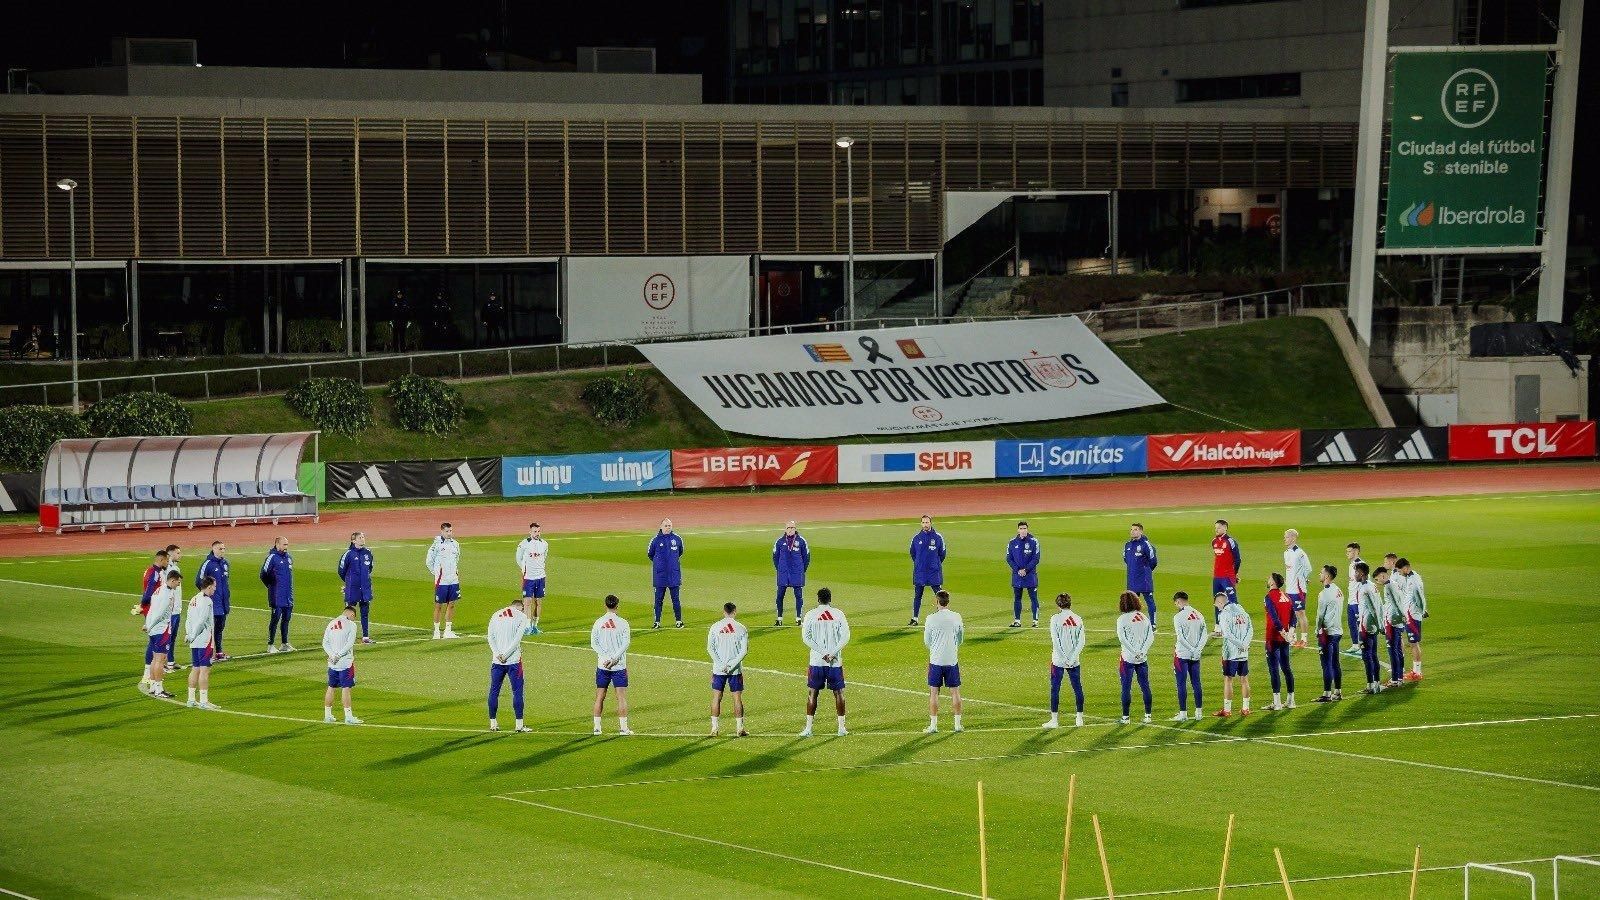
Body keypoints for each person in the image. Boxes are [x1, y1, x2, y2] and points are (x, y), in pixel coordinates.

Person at [800, 587, 851, 737]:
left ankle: (808, 729)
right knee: (839, 693)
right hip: (835, 662)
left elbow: (806, 638)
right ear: (830, 599)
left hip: (817, 661)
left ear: (818, 599)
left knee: (812, 693)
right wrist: (832, 653)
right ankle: (841, 728)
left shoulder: (810, 614)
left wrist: (823, 653)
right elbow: (846, 636)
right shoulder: (838, 614)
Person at [487, 598, 532, 733]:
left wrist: (498, 654)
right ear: (521, 607)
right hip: (513, 661)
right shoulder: (522, 617)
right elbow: (517, 639)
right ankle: (519, 725)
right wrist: (506, 655)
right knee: (517, 692)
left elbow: (490, 637)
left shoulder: (496, 614)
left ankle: (493, 724)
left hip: (497, 661)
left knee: (494, 691)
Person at [923, 590, 965, 733]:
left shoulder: (931, 618)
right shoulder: (956, 617)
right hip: (952, 659)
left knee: (934, 692)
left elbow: (927, 640)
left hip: (936, 659)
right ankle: (957, 725)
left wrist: (934, 648)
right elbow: (960, 638)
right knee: (955, 692)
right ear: (948, 602)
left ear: (936, 601)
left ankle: (933, 725)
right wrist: (953, 647)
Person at [590, 594, 632, 735]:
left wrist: (606, 657)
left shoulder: (598, 622)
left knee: (600, 696)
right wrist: (614, 658)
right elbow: (626, 643)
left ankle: (597, 728)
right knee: (621, 697)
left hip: (603, 665)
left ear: (605, 605)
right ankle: (623, 728)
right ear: (617, 606)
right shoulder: (623, 623)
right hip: (618, 665)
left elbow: (594, 643)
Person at [1043, 593, 1086, 729]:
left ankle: (1054, 720)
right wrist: (1072, 658)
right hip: (1074, 661)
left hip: (1058, 660)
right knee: (1077, 688)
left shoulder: (1055, 618)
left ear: (1058, 604)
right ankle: (1079, 718)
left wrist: (1064, 658)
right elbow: (1082, 641)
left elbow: (1055, 640)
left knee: (1055, 689)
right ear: (1070, 603)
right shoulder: (1078, 618)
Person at [707, 602, 750, 737]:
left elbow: (710, 648)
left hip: (718, 669)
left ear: (724, 612)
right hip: (735, 670)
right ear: (735, 611)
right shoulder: (741, 628)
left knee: (716, 697)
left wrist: (721, 664)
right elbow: (743, 651)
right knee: (737, 698)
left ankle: (714, 729)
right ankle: (740, 729)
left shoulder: (715, 627)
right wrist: (731, 665)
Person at [140, 571, 182, 698]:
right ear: (173, 580)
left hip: (154, 630)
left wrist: (148, 624)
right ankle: (159, 689)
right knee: (160, 660)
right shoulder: (167, 593)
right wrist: (150, 626)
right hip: (161, 630)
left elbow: (152, 609)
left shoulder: (158, 590)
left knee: (154, 659)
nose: (179, 585)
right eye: (178, 582)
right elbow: (159, 613)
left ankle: (153, 686)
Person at [1115, 590, 1154, 724]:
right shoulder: (1144, 617)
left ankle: (1125, 717)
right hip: (1142, 658)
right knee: (1145, 686)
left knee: (1126, 687)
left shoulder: (1122, 619)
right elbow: (1150, 637)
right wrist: (1142, 651)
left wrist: (1133, 651)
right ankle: (1148, 716)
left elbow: (1122, 638)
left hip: (1128, 658)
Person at [1171, 590, 1209, 721]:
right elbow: (1204, 635)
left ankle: (1183, 714)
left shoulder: (1178, 617)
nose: (1176, 605)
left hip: (1182, 654)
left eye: (1176, 603)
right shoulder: (1199, 614)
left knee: (1181, 683)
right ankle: (1199, 713)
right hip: (1196, 655)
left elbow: (1180, 637)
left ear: (1179, 601)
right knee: (1196, 683)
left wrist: (1191, 649)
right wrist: (1197, 650)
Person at [1214, 591, 1253, 717]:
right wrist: (1245, 644)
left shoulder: (1224, 614)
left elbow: (1227, 634)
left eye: (1216, 605)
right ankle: (1246, 708)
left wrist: (1240, 645)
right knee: (1244, 679)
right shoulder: (1241, 610)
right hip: (1244, 651)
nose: (1217, 607)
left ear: (1220, 602)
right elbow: (1250, 629)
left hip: (1231, 652)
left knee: (1228, 679)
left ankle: (1227, 710)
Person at [322, 605, 362, 724]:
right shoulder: (351, 624)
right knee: (346, 688)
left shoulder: (331, 623)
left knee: (331, 687)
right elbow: (350, 644)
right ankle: (348, 717)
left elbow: (325, 642)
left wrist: (332, 655)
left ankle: (327, 716)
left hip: (332, 663)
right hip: (345, 663)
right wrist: (338, 655)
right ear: (352, 615)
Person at [1262, 572, 1297, 710]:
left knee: (1274, 669)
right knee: (1287, 668)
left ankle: (1277, 703)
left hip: (1273, 637)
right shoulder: (1287, 597)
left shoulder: (1269, 597)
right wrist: (1290, 633)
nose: (1267, 579)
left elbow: (1274, 618)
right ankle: (1291, 701)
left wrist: (1283, 633)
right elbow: (1293, 617)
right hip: (1285, 639)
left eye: (1269, 578)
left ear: (1273, 582)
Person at [185, 576, 219, 709]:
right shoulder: (207, 601)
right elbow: (202, 621)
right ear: (209, 586)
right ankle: (204, 701)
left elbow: (188, 619)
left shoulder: (193, 599)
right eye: (214, 586)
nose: (215, 589)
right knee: (205, 671)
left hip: (194, 641)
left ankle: (191, 699)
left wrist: (189, 634)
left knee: (195, 668)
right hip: (204, 640)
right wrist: (193, 635)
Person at [134, 549, 170, 678]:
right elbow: (148, 592)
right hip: (153, 610)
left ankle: (150, 672)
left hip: (150, 609)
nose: (168, 562)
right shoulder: (155, 573)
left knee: (153, 640)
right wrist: (142, 605)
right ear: (161, 560)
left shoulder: (149, 570)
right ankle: (147, 673)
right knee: (154, 641)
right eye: (167, 560)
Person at [646, 518, 685, 630]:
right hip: (660, 576)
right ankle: (657, 622)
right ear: (661, 526)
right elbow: (650, 554)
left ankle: (678, 621)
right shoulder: (655, 540)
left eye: (669, 525)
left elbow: (680, 552)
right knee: (658, 600)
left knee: (676, 600)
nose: (668, 527)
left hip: (674, 575)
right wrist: (660, 564)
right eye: (666, 525)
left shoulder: (677, 539)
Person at [1313, 565, 1344, 703]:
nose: (1319, 574)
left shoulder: (1324, 594)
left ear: (1327, 576)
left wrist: (1317, 629)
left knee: (1326, 664)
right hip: (1338, 630)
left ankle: (1326, 693)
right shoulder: (1338, 590)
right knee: (1335, 662)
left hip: (1327, 633)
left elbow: (1320, 616)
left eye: (1321, 572)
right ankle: (1337, 692)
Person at [908, 515, 946, 627]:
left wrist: (935, 564)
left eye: (927, 522)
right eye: (923, 522)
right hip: (920, 572)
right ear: (921, 524)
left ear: (931, 523)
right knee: (918, 595)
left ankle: (943, 617)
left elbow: (942, 554)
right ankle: (915, 618)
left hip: (933, 571)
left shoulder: (938, 537)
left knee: (939, 594)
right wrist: (920, 564)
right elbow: (913, 554)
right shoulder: (916, 538)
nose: (925, 524)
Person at [338, 532, 376, 644]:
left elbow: (370, 568)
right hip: (352, 588)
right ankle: (345, 637)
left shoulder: (368, 553)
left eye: (363, 537)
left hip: (365, 588)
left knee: (365, 612)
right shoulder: (348, 554)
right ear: (353, 541)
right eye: (360, 538)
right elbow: (341, 571)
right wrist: (349, 582)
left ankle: (365, 637)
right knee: (349, 613)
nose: (362, 539)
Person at [197, 541, 231, 660]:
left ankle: (219, 652)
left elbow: (225, 583)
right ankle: (208, 653)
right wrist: (206, 596)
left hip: (223, 602)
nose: (222, 550)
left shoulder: (225, 563)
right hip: (212, 603)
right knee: (210, 629)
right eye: (220, 548)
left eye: (224, 548)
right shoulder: (207, 564)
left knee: (220, 628)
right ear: (214, 549)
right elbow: (199, 581)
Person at [427, 523, 462, 640]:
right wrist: (436, 573)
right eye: (447, 531)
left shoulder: (455, 544)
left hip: (453, 579)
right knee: (438, 605)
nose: (449, 533)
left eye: (451, 531)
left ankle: (448, 631)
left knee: (451, 604)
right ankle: (436, 631)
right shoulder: (436, 544)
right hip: (441, 580)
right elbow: (429, 561)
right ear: (442, 531)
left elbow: (457, 558)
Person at [772, 521, 810, 626]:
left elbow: (806, 557)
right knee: (779, 596)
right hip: (783, 573)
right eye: (788, 527)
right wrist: (780, 569)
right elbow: (775, 557)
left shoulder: (801, 541)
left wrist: (802, 570)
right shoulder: (779, 542)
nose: (790, 529)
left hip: (796, 573)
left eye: (792, 527)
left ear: (795, 528)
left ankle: (798, 618)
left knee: (798, 596)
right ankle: (779, 618)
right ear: (785, 529)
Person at [260, 537, 295, 653]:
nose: (286, 547)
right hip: (276, 596)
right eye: (284, 545)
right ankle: (270, 645)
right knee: (275, 620)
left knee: (286, 619)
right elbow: (263, 574)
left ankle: (284, 643)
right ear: (277, 544)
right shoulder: (272, 558)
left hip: (288, 595)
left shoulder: (289, 558)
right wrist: (271, 586)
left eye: (287, 545)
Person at [515, 522, 550, 635]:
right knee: (527, 602)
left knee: (538, 602)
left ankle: (535, 626)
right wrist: (523, 569)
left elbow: (544, 557)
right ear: (530, 532)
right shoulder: (524, 544)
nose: (537, 533)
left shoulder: (544, 544)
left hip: (540, 577)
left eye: (539, 531)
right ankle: (527, 626)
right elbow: (518, 558)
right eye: (535, 531)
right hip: (528, 577)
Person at [1353, 564, 1383, 694]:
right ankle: (1377, 683)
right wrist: (1379, 623)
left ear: (1361, 573)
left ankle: (1371, 686)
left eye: (1356, 573)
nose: (1355, 575)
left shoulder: (1365, 589)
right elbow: (1380, 605)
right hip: (1373, 625)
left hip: (1366, 626)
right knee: (1374, 655)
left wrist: (1380, 625)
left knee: (1367, 656)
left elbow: (1373, 608)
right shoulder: (1372, 586)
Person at [1396, 557, 1427, 681]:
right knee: (1412, 643)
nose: (1399, 573)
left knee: (1413, 643)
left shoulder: (1413, 580)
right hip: (1411, 614)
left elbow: (1419, 597)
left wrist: (1422, 610)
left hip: (1413, 615)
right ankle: (1415, 671)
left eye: (1399, 570)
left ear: (1405, 568)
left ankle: (1417, 673)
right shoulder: (1412, 577)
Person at [1375, 566, 1406, 688]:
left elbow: (1396, 603)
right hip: (1397, 621)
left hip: (1392, 622)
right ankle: (1400, 677)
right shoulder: (1394, 583)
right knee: (1398, 649)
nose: (1377, 582)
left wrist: (1402, 615)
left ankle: (1394, 679)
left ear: (1383, 576)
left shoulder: (1389, 586)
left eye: (1377, 579)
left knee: (1392, 650)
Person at [1006, 521, 1042, 628]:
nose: (1023, 530)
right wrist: (1018, 569)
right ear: (1018, 530)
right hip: (1017, 575)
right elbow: (1009, 558)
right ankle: (1017, 621)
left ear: (1027, 529)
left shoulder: (1034, 541)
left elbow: (1036, 558)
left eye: (1025, 528)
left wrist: (1025, 570)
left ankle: (1035, 621)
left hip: (1030, 574)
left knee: (1033, 598)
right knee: (1017, 598)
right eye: (1021, 528)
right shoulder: (1012, 542)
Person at [1282, 529, 1312, 648]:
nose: (1285, 539)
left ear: (1293, 538)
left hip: (1298, 589)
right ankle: (1292, 637)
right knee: (1290, 614)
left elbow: (1308, 568)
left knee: (1300, 614)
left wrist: (1302, 579)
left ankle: (1304, 639)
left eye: (1287, 537)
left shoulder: (1300, 553)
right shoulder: (1286, 553)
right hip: (1289, 588)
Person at [1122, 523, 1158, 621]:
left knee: (1149, 600)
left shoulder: (1146, 544)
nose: (1132, 531)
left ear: (1141, 531)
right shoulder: (1127, 545)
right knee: (1131, 603)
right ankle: (1134, 622)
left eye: (1135, 529)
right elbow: (1126, 559)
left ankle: (1153, 623)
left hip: (1144, 579)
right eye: (1131, 529)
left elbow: (1153, 561)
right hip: (1132, 579)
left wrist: (1146, 571)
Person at [1211, 519, 1242, 630]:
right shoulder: (1214, 541)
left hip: (1227, 576)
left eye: (1218, 527)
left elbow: (1237, 559)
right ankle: (1218, 625)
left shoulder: (1231, 541)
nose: (1216, 529)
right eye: (1215, 528)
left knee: (1232, 600)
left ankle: (1238, 623)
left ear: (1225, 527)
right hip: (1217, 576)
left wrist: (1234, 574)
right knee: (1217, 599)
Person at [162, 545, 183, 672]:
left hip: (177, 609)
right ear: (170, 554)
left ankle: (170, 661)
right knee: (167, 637)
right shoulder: (166, 570)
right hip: (170, 610)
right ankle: (163, 663)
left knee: (173, 637)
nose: (180, 555)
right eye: (178, 553)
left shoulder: (175, 568)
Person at [1343, 543, 1366, 658]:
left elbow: (1364, 583)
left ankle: (1363, 648)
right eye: (1347, 551)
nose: (1347, 553)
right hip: (1351, 600)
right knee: (1351, 623)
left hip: (1358, 601)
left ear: (1356, 551)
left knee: (1360, 624)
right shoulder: (1351, 564)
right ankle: (1355, 645)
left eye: (1349, 551)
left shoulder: (1361, 565)